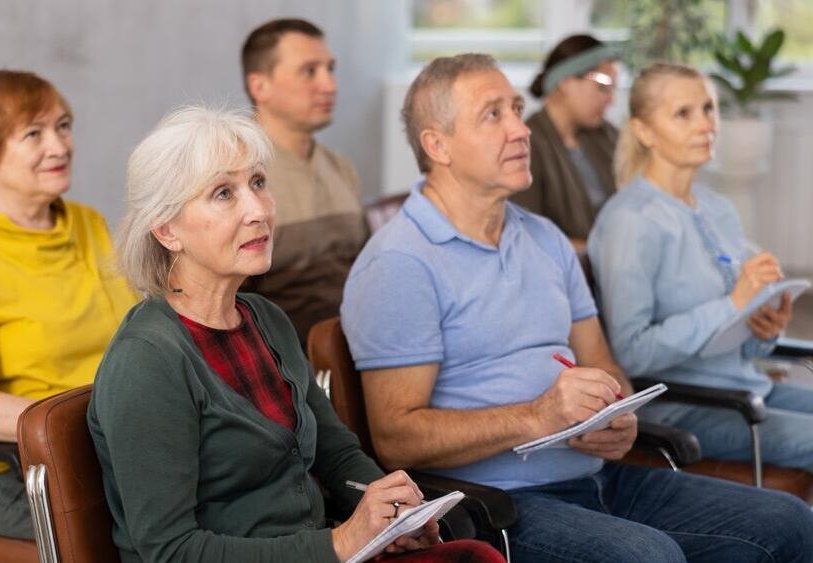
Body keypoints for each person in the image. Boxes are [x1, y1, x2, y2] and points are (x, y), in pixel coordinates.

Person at [341, 54, 813, 562]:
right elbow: (396, 438)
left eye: (518, 110)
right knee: (649, 557)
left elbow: (606, 364)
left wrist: (617, 416)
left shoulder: (545, 238)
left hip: (596, 475)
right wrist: (538, 416)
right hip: (498, 504)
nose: (521, 130)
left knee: (789, 522)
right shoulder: (399, 262)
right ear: (438, 145)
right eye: (493, 115)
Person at [88, 106, 503, 563]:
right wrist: (341, 542)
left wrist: (392, 510)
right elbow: (169, 551)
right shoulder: (147, 360)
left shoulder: (265, 318)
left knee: (473, 555)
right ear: (167, 230)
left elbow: (336, 453)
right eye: (224, 193)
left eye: (259, 183)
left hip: (321, 551)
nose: (258, 210)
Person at [0, 70, 140, 539]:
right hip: (2, 470)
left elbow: (136, 335)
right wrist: (89, 427)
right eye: (34, 134)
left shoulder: (88, 223)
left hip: (108, 448)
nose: (59, 146)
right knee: (151, 530)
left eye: (63, 125)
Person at [587, 62, 813, 472]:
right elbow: (632, 353)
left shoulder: (716, 208)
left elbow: (739, 339)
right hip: (686, 407)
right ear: (643, 131)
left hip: (746, 387)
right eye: (683, 114)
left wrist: (765, 327)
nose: (706, 124)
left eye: (709, 109)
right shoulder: (630, 221)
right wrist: (732, 304)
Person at [238, 18, 369, 344]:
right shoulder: (234, 176)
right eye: (309, 71)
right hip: (284, 366)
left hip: (357, 349)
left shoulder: (340, 168)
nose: (330, 85)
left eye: (330, 69)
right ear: (260, 86)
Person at [512, 34, 621, 250]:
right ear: (565, 83)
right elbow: (526, 237)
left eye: (612, 89)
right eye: (602, 87)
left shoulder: (607, 135)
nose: (611, 99)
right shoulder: (525, 147)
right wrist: (603, 252)